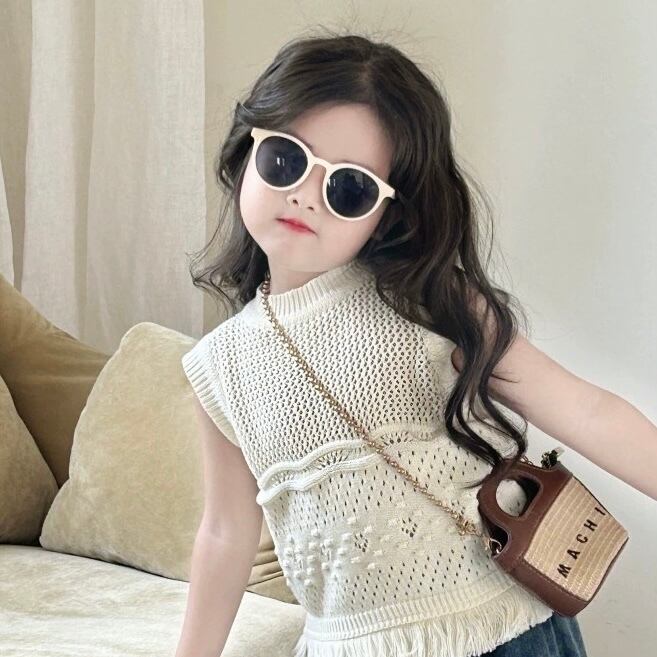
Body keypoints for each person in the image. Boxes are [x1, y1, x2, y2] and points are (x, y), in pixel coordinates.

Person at [176, 31, 653, 657]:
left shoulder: (428, 300)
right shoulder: (218, 367)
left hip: (499, 632)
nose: (306, 196)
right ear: (247, 154)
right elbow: (225, 532)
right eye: (286, 160)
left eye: (349, 188)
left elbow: (586, 410)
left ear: (387, 213)